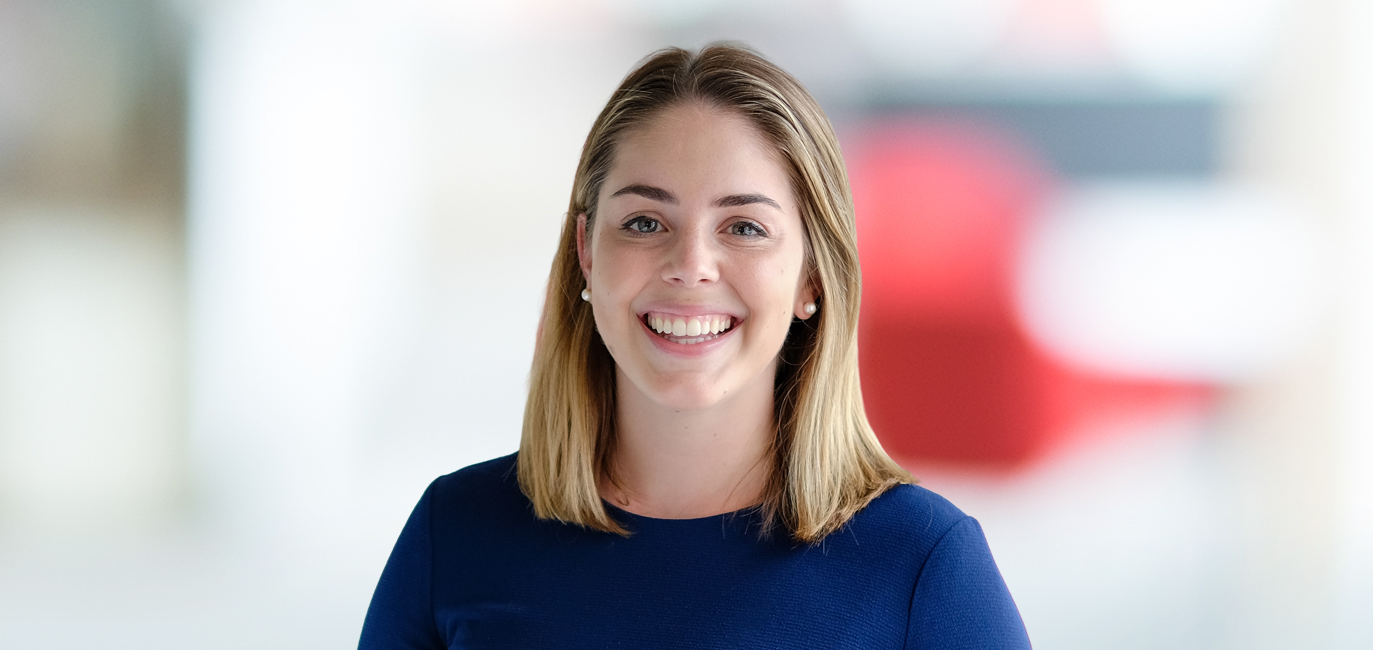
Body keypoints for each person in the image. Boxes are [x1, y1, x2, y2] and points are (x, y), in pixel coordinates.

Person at [357, 44, 1030, 649]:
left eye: (744, 227)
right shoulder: (455, 535)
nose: (691, 266)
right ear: (587, 252)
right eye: (645, 222)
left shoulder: (924, 565)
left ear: (812, 276)